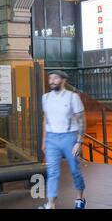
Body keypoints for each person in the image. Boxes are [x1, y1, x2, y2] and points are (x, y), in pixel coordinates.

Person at [40, 70, 86, 209]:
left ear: (63, 80)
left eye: (55, 78)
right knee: (52, 172)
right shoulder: (45, 98)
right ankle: (51, 204)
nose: (52, 80)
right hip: (52, 138)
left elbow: (81, 120)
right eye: (50, 78)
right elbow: (45, 120)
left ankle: (80, 198)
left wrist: (79, 142)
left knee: (75, 170)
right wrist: (44, 140)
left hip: (69, 138)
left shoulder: (73, 97)